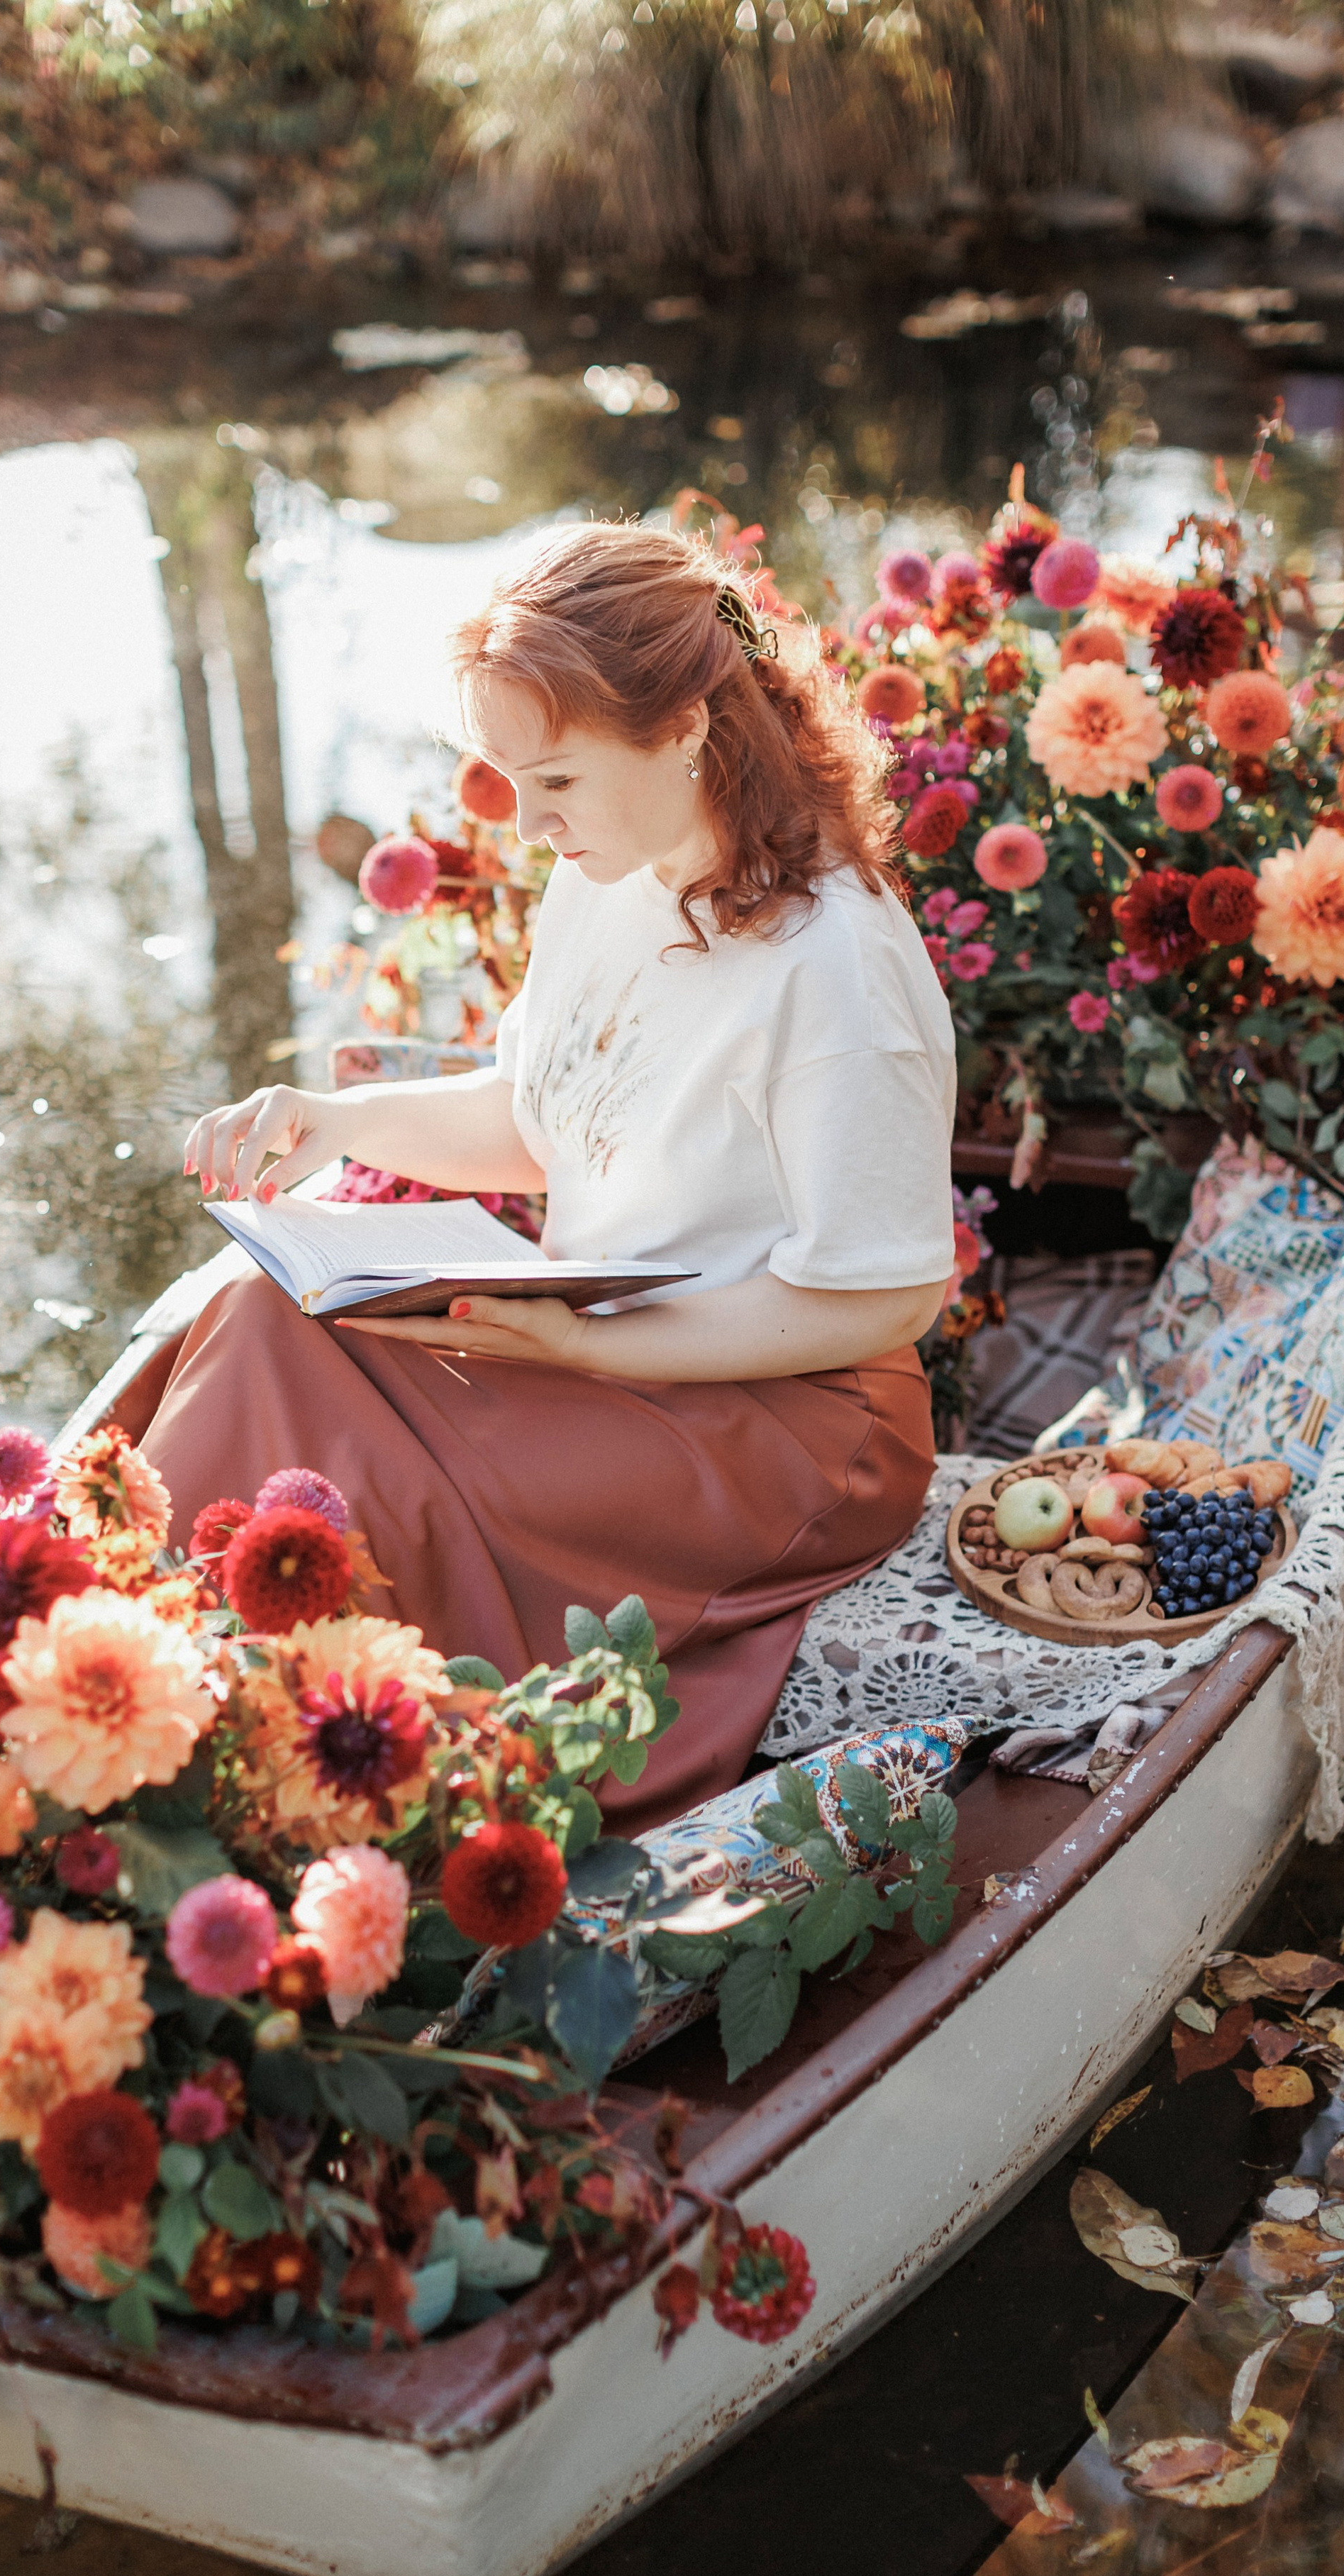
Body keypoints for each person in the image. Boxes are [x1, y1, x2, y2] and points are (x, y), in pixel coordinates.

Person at [113, 521, 957, 1826]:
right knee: (252, 1314)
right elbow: (539, 1115)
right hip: (599, 1330)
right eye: (506, 777)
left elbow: (888, 1300)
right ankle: (138, 1687)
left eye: (552, 776)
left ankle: (299, 1778)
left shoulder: (836, 970)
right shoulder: (607, 874)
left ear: (684, 726)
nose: (525, 820)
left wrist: (596, 1354)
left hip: (790, 1417)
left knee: (373, 1480)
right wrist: (333, 1122)